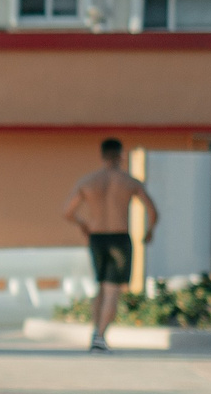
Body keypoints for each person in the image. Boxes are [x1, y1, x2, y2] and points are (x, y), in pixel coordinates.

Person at [63, 138, 156, 351]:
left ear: (103, 156)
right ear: (120, 155)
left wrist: (83, 225)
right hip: (119, 237)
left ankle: (96, 332)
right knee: (113, 290)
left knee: (102, 287)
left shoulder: (88, 181)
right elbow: (153, 211)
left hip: (97, 238)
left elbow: (67, 212)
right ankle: (100, 336)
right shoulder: (129, 181)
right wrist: (149, 231)